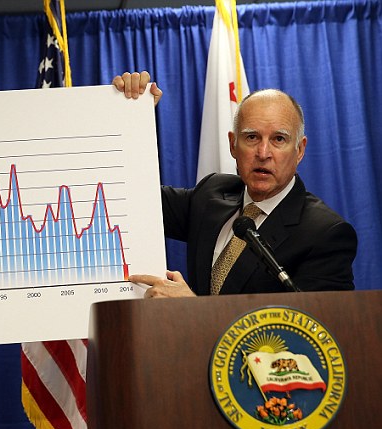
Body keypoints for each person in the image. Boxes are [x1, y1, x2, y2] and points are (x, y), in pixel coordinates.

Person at [112, 71, 357, 298]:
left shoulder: (324, 234)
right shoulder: (212, 194)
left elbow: (311, 331)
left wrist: (190, 311)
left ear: (300, 150)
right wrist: (131, 118)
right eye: (252, 137)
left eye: (278, 139)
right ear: (232, 145)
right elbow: (132, 198)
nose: (263, 152)